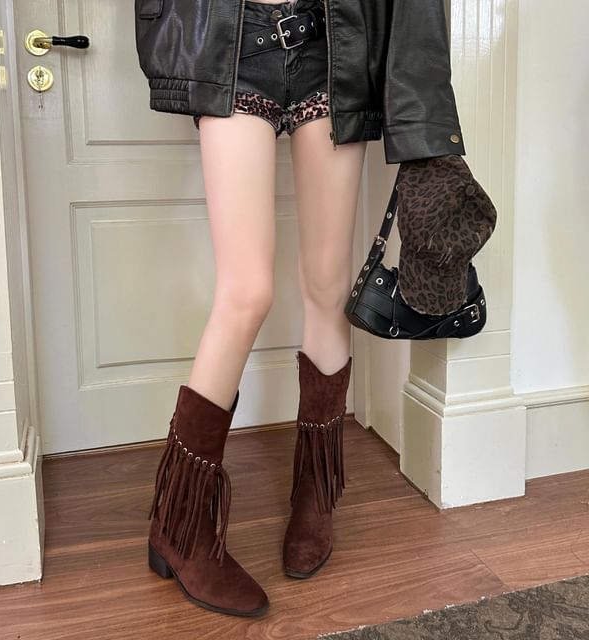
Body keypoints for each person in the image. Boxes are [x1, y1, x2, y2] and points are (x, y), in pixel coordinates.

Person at [135, 0, 465, 618]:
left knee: (328, 289)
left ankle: (316, 496)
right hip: (233, 41)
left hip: (332, 45)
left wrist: (428, 122)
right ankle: (179, 525)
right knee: (247, 291)